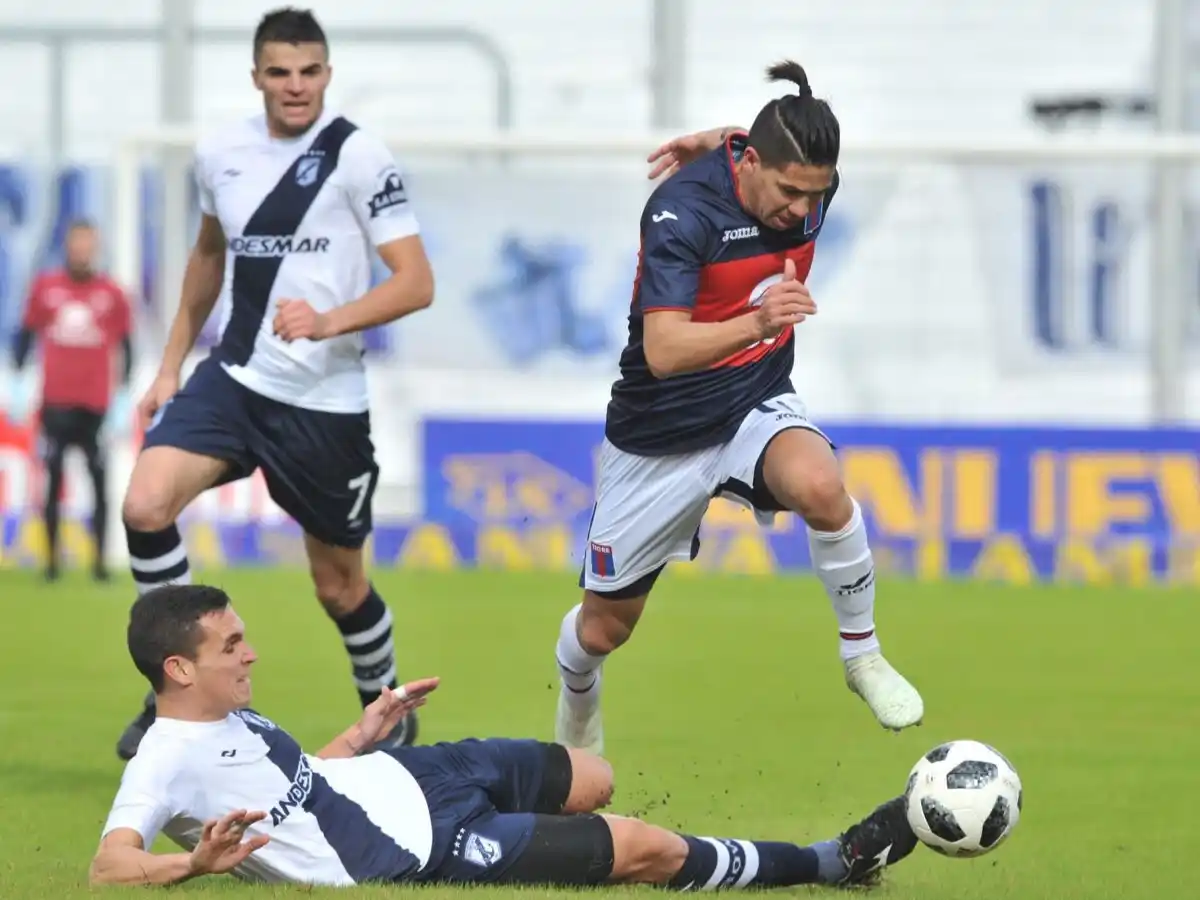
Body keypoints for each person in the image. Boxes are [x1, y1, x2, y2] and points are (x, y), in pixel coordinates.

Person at [553, 61, 925, 756]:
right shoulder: (679, 213)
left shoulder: (806, 185)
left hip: (753, 399)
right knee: (602, 632)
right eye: (787, 192)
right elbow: (663, 350)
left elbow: (761, 155)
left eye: (813, 196)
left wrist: (722, 142)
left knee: (821, 486)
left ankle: (862, 656)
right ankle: (577, 698)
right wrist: (760, 322)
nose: (800, 212)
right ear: (752, 164)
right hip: (659, 433)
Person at [89, 583, 918, 890]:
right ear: (179, 669)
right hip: (418, 848)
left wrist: (362, 731)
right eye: (232, 645)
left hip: (412, 773)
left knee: (592, 776)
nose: (251, 651)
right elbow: (107, 867)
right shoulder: (164, 759)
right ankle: (829, 864)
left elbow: (300, 786)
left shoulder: (230, 713)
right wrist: (191, 864)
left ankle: (583, 848)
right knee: (644, 849)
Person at [113, 7, 436, 761]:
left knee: (340, 588)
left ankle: (389, 714)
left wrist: (331, 320)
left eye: (311, 71)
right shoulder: (220, 151)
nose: (296, 87)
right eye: (280, 73)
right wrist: (169, 367)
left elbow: (416, 281)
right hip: (235, 379)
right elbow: (205, 257)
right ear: (256, 76)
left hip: (323, 403)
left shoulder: (358, 156)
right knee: (144, 502)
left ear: (327, 73)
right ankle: (175, 690)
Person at [9, 218, 133, 582]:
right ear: (67, 247)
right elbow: (26, 336)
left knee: (99, 479)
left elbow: (128, 346)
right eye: (76, 245)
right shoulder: (46, 288)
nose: (81, 252)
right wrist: (18, 380)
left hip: (95, 403)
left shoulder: (111, 293)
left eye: (87, 245)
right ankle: (51, 563)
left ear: (95, 248)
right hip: (56, 402)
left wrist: (123, 393)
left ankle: (99, 562)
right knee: (52, 478)